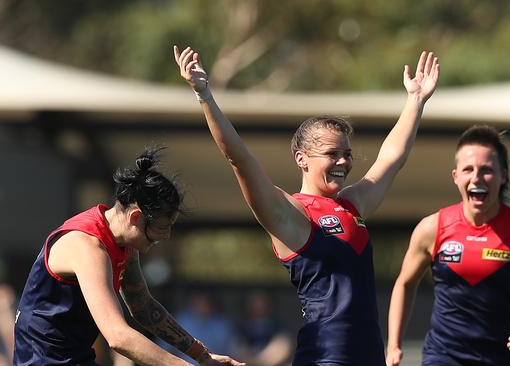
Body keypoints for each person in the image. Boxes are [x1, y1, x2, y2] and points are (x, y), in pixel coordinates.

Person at [174, 45, 439, 365]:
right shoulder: (290, 213)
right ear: (301, 159)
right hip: (326, 356)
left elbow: (391, 159)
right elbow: (239, 158)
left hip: (370, 355)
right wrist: (205, 95)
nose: (343, 161)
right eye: (331, 154)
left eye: (347, 154)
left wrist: (415, 100)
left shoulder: (352, 204)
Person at [12, 147, 244, 366]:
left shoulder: (122, 242)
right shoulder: (88, 246)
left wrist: (203, 356)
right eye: (162, 227)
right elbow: (118, 336)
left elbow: (142, 306)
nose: (167, 235)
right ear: (135, 218)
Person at [386, 125, 510, 366]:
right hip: (443, 357)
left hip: (503, 359)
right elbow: (404, 283)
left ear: (503, 175)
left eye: (486, 170)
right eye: (468, 170)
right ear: (455, 177)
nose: (476, 178)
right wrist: (393, 345)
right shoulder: (432, 228)